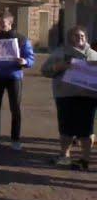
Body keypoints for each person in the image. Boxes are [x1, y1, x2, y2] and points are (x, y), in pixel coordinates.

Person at [41, 25, 97, 171]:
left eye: (82, 36)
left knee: (86, 130)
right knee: (66, 128)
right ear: (69, 37)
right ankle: (64, 156)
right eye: (76, 36)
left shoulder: (94, 55)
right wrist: (58, 67)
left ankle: (85, 159)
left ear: (86, 38)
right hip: (65, 95)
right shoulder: (59, 53)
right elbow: (45, 70)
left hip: (88, 97)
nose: (80, 38)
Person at [0, 10, 35, 150]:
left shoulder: (21, 39)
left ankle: (15, 139)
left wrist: (25, 61)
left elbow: (30, 57)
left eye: (3, 22)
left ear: (10, 22)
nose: (0, 24)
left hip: (14, 76)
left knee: (15, 108)